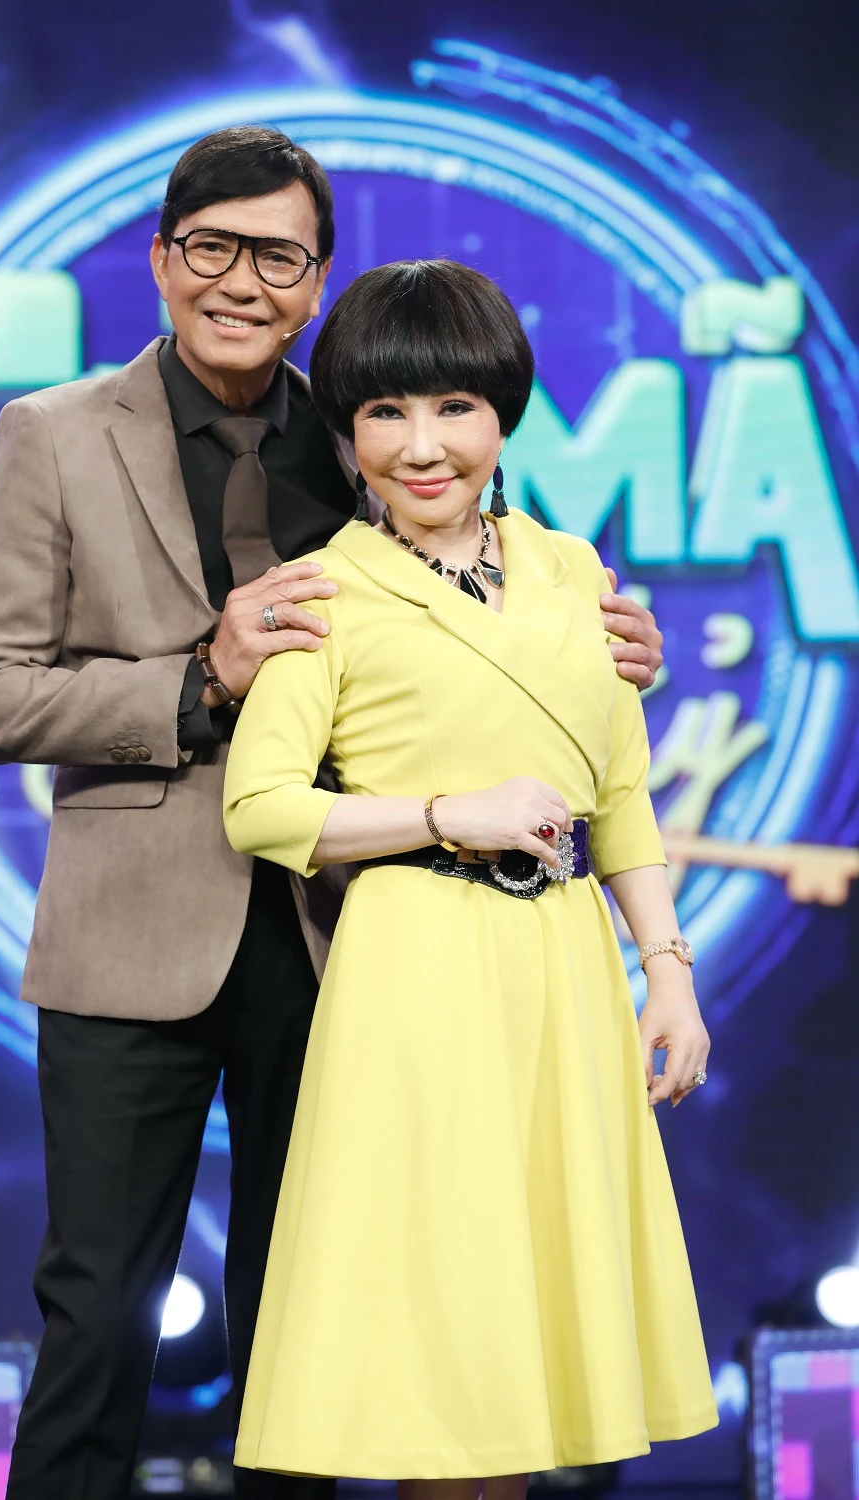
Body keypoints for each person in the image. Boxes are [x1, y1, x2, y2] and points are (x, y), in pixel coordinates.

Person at [0, 126, 667, 1500]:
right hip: (134, 938)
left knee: (318, 1326)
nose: (242, 281)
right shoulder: (55, 434)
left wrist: (614, 650)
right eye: (212, 247)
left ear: (318, 281)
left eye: (278, 257)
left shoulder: (367, 423)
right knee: (98, 1311)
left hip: (350, 943)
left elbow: (498, 609)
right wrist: (201, 678)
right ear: (162, 259)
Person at [223, 258, 719, 1489]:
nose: (421, 445)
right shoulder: (326, 587)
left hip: (564, 972)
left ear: (503, 414)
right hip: (417, 976)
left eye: (454, 407)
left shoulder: (570, 569)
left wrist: (667, 973)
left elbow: (619, 794)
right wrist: (449, 814)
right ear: (347, 430)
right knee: (443, 1345)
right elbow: (260, 806)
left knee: (532, 1345)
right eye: (384, 412)